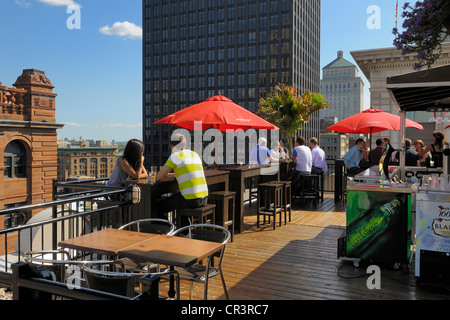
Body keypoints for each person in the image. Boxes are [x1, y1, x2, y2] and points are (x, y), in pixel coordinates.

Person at [156, 133, 208, 226]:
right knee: (180, 198)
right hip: (204, 198)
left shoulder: (175, 156)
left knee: (158, 208)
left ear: (171, 146)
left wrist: (173, 177)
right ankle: (186, 232)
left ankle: (170, 229)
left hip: (191, 200)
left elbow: (159, 177)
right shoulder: (194, 154)